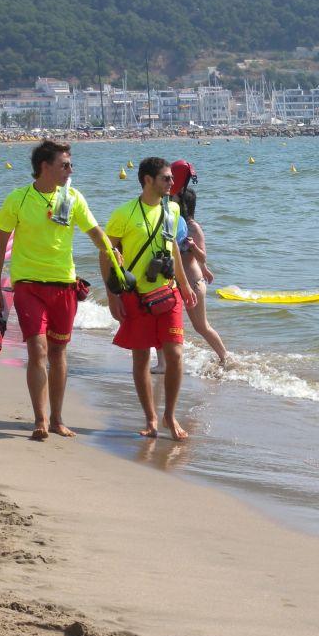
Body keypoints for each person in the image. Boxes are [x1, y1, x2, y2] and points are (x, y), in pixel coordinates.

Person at [0, 140, 114, 441]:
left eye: (70, 164)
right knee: (37, 348)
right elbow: (0, 242)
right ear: (45, 166)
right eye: (65, 165)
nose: (70, 170)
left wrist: (112, 253)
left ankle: (57, 418)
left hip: (64, 284)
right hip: (28, 284)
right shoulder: (18, 198)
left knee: (58, 351)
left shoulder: (72, 197)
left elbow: (94, 231)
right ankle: (40, 418)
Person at [106, 157, 197, 441]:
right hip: (136, 296)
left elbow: (173, 250)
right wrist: (112, 296)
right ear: (148, 180)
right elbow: (107, 255)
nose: (172, 183)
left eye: (172, 178)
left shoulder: (173, 209)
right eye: (166, 178)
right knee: (141, 357)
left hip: (168, 292)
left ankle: (170, 414)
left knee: (175, 354)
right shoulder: (123, 214)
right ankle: (151, 418)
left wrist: (185, 285)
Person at [155, 186, 227, 372]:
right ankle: (162, 363)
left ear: (183, 202)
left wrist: (193, 247)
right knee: (161, 321)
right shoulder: (171, 222)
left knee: (201, 326)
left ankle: (225, 358)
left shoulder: (193, 227)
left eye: (174, 197)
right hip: (173, 282)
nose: (170, 199)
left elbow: (202, 256)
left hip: (193, 283)